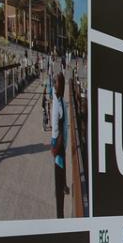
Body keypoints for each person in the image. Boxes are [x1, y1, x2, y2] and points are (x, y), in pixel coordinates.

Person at [52, 70, 69, 218]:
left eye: (56, 82)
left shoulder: (60, 102)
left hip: (59, 142)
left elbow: (60, 126)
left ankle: (60, 212)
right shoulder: (59, 101)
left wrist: (58, 145)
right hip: (59, 142)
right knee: (60, 170)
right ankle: (60, 212)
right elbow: (58, 126)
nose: (54, 84)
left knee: (60, 170)